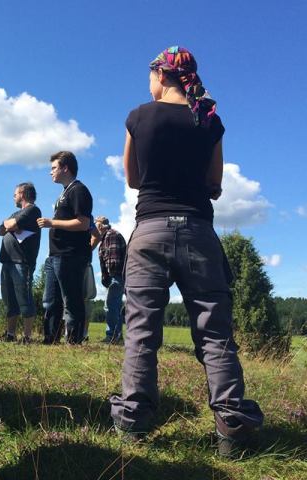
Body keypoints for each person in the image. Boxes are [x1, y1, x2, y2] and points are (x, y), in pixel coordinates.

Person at [109, 46, 263, 456]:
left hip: (150, 232)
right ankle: (232, 431)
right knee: (214, 333)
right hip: (198, 231)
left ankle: (132, 427)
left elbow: (132, 178)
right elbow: (215, 181)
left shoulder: (138, 116)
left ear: (161, 75)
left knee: (141, 330)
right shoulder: (209, 120)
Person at [37, 151, 93, 345]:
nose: (50, 172)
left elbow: (83, 223)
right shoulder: (64, 192)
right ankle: (50, 338)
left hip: (70, 255)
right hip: (55, 255)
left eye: (54, 168)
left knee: (71, 298)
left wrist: (52, 223)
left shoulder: (78, 190)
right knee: (51, 300)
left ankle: (74, 340)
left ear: (65, 168)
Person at [0, 183, 41, 343]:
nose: (13, 196)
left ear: (22, 193)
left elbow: (10, 225)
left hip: (22, 261)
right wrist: (8, 224)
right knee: (9, 299)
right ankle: (10, 334)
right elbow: (0, 230)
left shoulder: (32, 210)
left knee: (24, 297)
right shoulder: (17, 212)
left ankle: (28, 337)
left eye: (15, 193)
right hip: (7, 260)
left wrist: (10, 224)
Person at [91, 216, 126, 343]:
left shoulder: (111, 235)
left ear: (100, 226)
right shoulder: (106, 237)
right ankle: (116, 336)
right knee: (114, 306)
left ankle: (112, 336)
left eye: (95, 225)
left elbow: (114, 262)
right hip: (115, 277)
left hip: (116, 277)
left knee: (111, 306)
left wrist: (109, 278)